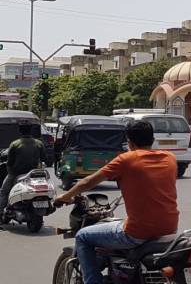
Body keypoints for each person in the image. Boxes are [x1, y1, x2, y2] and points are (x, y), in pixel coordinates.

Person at [54, 121, 179, 284]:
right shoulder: (170, 158)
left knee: (83, 236)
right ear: (153, 139)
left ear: (130, 142)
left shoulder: (126, 160)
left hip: (137, 233)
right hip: (169, 228)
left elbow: (87, 182)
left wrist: (65, 196)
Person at [0, 121, 45, 217]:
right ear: (30, 130)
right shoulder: (39, 143)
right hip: (34, 174)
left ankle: (0, 213)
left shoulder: (15, 144)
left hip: (16, 174)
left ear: (20, 131)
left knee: (4, 192)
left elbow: (10, 162)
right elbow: (45, 158)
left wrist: (10, 172)